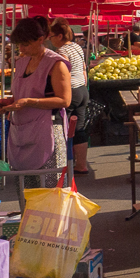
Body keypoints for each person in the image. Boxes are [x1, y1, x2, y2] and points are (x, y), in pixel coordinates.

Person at [0, 18, 70, 187]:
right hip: (21, 131)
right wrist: (8, 102)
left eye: (26, 44)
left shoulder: (56, 64)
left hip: (49, 130)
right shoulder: (22, 62)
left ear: (40, 39)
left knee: (49, 186)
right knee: (26, 186)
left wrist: (28, 101)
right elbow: (21, 94)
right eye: (19, 45)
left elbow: (64, 100)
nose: (21, 49)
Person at [49, 19, 93, 176]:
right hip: (82, 90)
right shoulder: (77, 47)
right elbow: (83, 68)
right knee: (79, 128)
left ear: (59, 36)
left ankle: (63, 165)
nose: (50, 39)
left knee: (62, 128)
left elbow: (64, 72)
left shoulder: (62, 52)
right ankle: (81, 164)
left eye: (51, 36)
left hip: (71, 91)